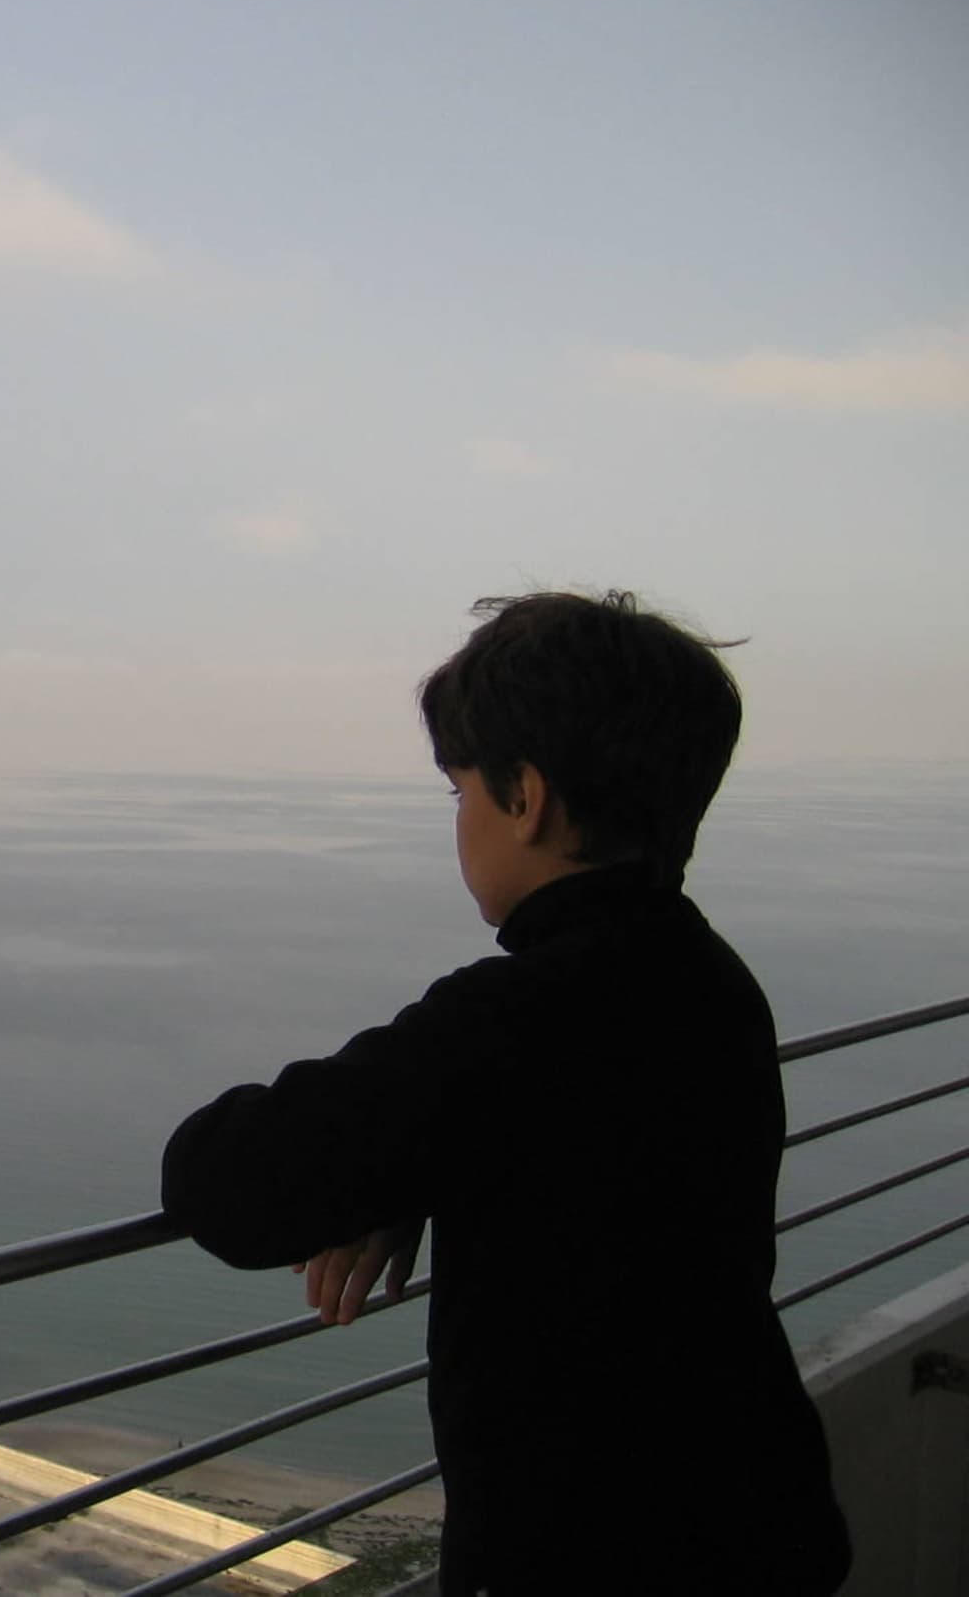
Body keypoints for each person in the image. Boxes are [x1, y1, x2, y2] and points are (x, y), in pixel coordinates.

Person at [160, 592, 851, 1596]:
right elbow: (568, 1154)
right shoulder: (707, 979)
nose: (460, 823)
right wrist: (419, 1170)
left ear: (525, 797)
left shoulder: (521, 1015)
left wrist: (401, 1166)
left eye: (460, 793)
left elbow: (230, 1185)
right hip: (753, 1511)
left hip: (595, 1554)